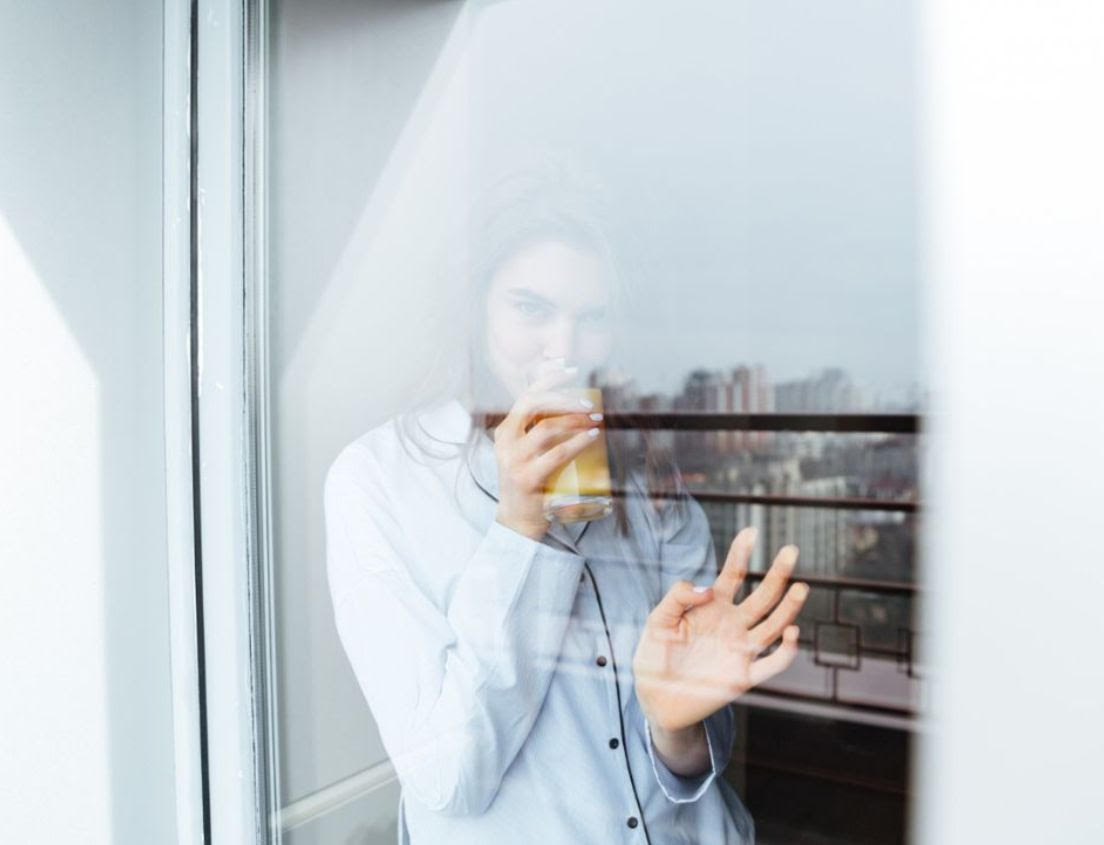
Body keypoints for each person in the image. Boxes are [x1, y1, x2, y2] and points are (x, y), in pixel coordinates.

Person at [324, 165, 810, 844]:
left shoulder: (645, 475)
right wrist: (521, 527)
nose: (563, 348)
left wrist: (676, 724)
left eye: (593, 319)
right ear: (476, 306)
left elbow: (697, 750)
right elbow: (450, 776)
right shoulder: (379, 483)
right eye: (531, 308)